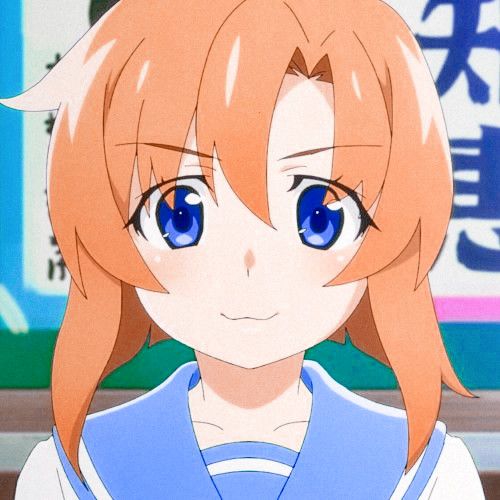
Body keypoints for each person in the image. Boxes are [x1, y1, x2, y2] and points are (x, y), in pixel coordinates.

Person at [4, 0, 484, 498]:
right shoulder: (73, 472)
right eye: (180, 214)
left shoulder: (426, 474)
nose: (248, 262)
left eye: (319, 216)